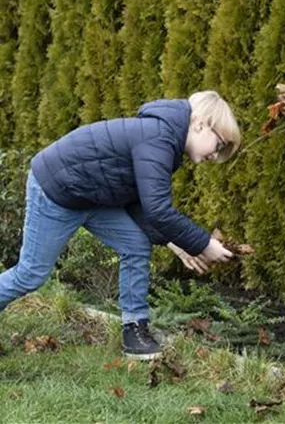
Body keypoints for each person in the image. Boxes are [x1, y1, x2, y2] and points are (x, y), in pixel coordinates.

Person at [0, 90, 240, 360]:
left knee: (136, 245)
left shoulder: (164, 140)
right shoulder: (158, 138)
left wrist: (175, 242)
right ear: (200, 124)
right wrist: (204, 243)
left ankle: (134, 331)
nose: (215, 156)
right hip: (58, 191)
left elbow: (137, 201)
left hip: (91, 197)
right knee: (30, 274)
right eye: (219, 145)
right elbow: (158, 210)